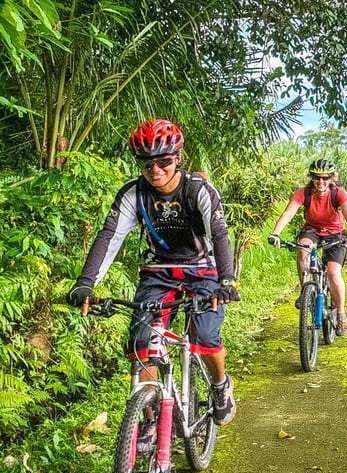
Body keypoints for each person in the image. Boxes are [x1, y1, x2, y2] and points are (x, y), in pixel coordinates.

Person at [67, 119, 240, 426]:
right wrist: (85, 284)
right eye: (147, 164)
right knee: (142, 342)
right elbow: (109, 237)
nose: (155, 169)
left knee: (203, 335)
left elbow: (218, 233)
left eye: (164, 161)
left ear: (178, 158)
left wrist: (226, 280)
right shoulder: (134, 194)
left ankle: (219, 386)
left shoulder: (198, 189)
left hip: (203, 270)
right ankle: (147, 419)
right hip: (158, 272)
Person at [267, 159, 347, 336]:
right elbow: (288, 212)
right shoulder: (304, 193)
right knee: (303, 249)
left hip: (335, 234)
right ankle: (305, 291)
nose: (321, 182)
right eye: (317, 178)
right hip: (312, 231)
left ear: (331, 178)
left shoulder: (338, 193)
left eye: (325, 178)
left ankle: (340, 313)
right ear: (312, 178)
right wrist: (276, 233)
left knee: (333, 273)